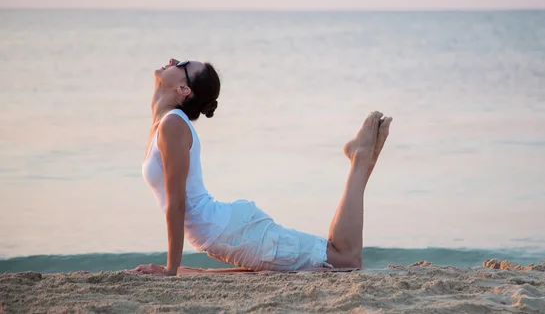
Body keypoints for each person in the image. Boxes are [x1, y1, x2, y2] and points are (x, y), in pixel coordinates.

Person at [134, 59, 393, 276]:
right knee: (333, 258)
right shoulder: (166, 125)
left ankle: (359, 160)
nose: (172, 62)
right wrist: (175, 269)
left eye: (180, 64)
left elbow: (177, 203)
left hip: (233, 232)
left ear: (183, 89)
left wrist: (170, 270)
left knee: (346, 260)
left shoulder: (172, 125)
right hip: (226, 232)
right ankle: (362, 163)